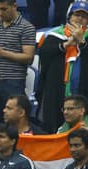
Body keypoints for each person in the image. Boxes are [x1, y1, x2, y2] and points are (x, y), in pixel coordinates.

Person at [38, 1, 88, 133]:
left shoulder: (86, 39)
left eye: (84, 17)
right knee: (54, 126)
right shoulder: (55, 34)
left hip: (81, 90)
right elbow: (44, 54)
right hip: (56, 89)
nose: (80, 19)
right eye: (77, 15)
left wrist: (81, 42)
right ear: (69, 16)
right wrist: (67, 44)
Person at [0, 0, 35, 124]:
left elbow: (29, 58)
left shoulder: (27, 27)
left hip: (13, 82)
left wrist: (2, 53)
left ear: (14, 6)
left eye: (4, 9)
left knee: (14, 122)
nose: (0, 13)